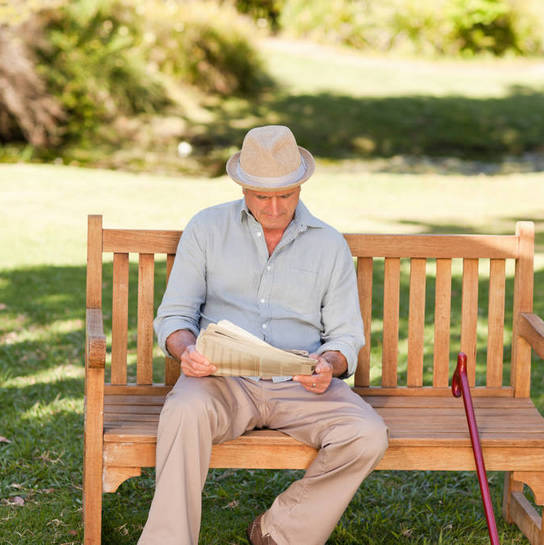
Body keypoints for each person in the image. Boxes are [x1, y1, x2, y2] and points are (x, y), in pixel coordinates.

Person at [139, 125, 388, 545]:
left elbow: (345, 336)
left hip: (300, 384)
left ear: (300, 186)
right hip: (221, 379)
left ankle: (279, 532)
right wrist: (187, 351)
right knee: (183, 412)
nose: (274, 207)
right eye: (262, 196)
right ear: (242, 187)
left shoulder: (329, 245)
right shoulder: (206, 229)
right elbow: (175, 316)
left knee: (367, 434)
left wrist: (330, 364)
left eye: (285, 195)